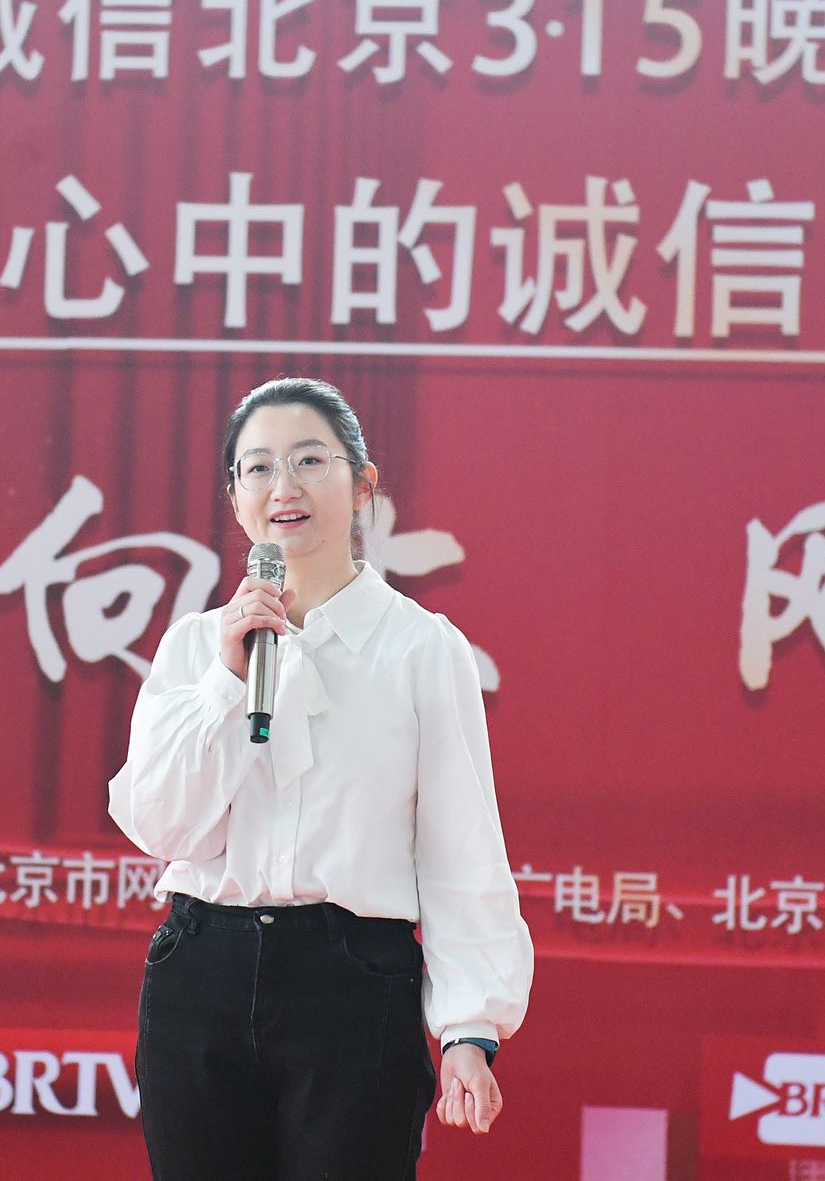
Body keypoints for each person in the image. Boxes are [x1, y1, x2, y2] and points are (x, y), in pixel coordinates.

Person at [107, 376, 533, 1180]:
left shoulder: (420, 648)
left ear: (363, 485)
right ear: (236, 499)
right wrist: (227, 683)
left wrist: (469, 1029)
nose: (284, 487)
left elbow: (461, 847)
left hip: (352, 983)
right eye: (258, 467)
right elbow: (160, 826)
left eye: (310, 460)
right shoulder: (197, 647)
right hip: (201, 971)